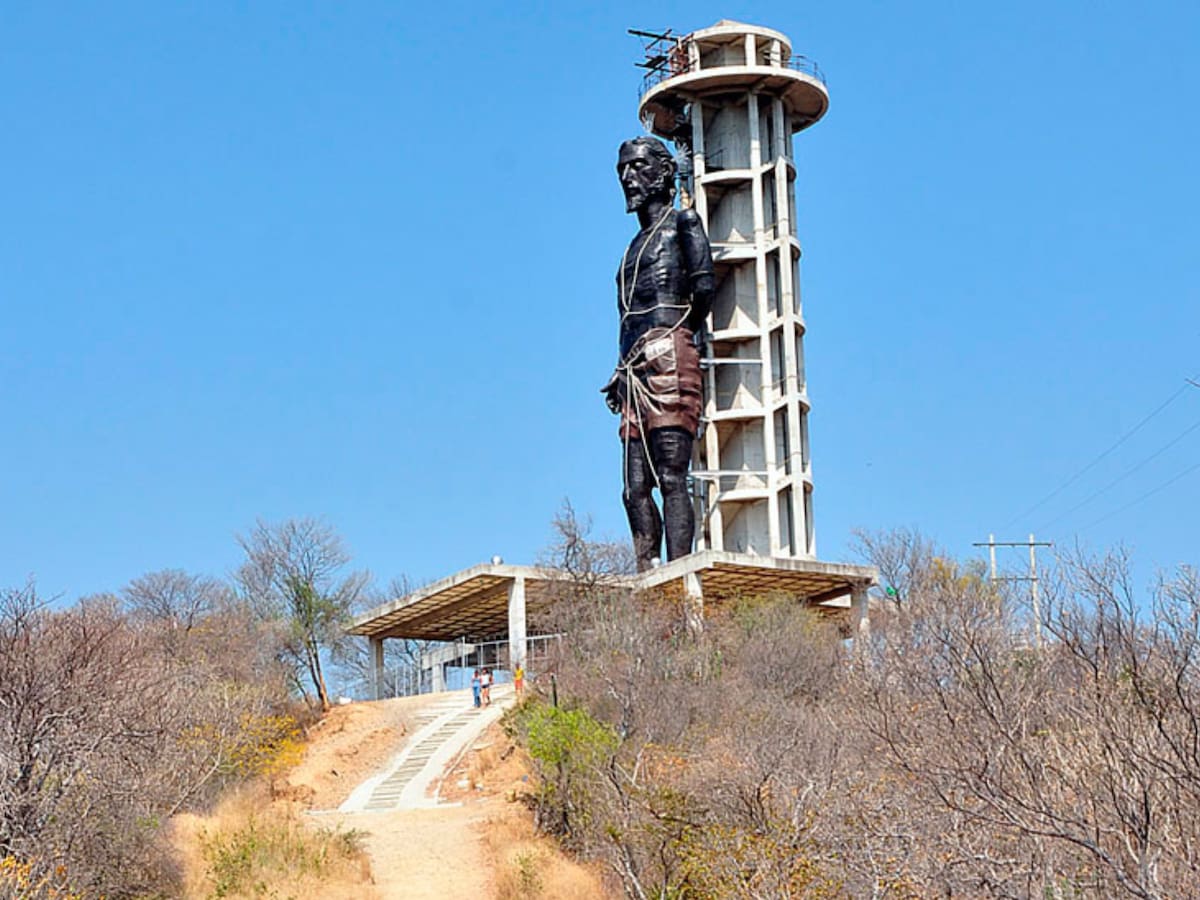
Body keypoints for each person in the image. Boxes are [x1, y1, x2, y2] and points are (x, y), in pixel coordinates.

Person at [602, 136, 714, 572]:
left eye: (637, 167)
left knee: (670, 475)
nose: (629, 178)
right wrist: (620, 366)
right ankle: (646, 568)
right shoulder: (632, 249)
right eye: (622, 171)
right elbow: (625, 316)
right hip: (632, 368)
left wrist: (679, 335)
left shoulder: (683, 222)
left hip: (669, 353)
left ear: (664, 173)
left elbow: (704, 287)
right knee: (633, 487)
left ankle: (678, 568)